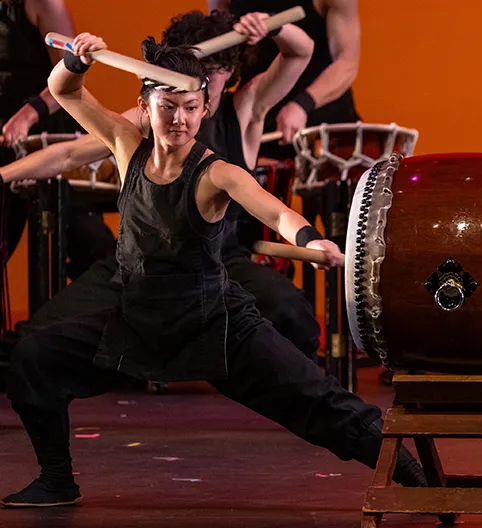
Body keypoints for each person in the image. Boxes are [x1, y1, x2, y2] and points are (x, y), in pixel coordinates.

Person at [0, 33, 425, 508]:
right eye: (167, 106)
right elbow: (64, 91)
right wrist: (75, 60)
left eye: (190, 107)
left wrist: (310, 239)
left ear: (204, 110)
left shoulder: (217, 173)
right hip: (137, 322)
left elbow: (278, 214)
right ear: (145, 104)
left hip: (213, 324)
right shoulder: (125, 146)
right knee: (34, 357)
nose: (178, 118)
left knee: (315, 400)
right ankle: (57, 480)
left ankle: (411, 472)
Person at [0, 9, 323, 360]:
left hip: (219, 262)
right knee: (35, 339)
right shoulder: (149, 118)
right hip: (142, 262)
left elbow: (300, 51)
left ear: (228, 72)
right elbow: (69, 155)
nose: (189, 98)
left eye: (207, 77)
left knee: (292, 313)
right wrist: (3, 175)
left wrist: (270, 24)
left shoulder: (246, 108)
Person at [0, 0, 113, 281]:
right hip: (4, 141)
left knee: (92, 249)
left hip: (45, 137)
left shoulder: (44, 3)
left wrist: (27, 115)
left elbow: (70, 75)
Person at [211, 0, 361, 153]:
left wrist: (302, 104)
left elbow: (347, 63)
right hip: (256, 115)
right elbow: (221, 55)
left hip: (324, 123)